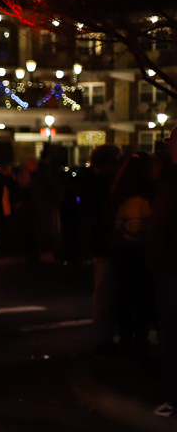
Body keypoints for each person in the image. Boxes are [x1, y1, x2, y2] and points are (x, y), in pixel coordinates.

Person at [107, 152, 155, 357]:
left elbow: (108, 220)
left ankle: (126, 338)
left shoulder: (117, 191)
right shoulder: (152, 190)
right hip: (145, 248)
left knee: (124, 295)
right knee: (145, 295)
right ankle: (141, 337)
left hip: (122, 249)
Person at [147, 134, 177, 415]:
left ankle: (174, 397)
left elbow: (159, 227)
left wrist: (152, 260)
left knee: (172, 335)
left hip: (170, 268)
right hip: (168, 267)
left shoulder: (170, 183)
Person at [86, 144, 123, 351]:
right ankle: (103, 340)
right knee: (105, 292)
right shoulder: (104, 186)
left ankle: (104, 337)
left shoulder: (94, 184)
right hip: (105, 244)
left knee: (105, 291)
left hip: (101, 244)